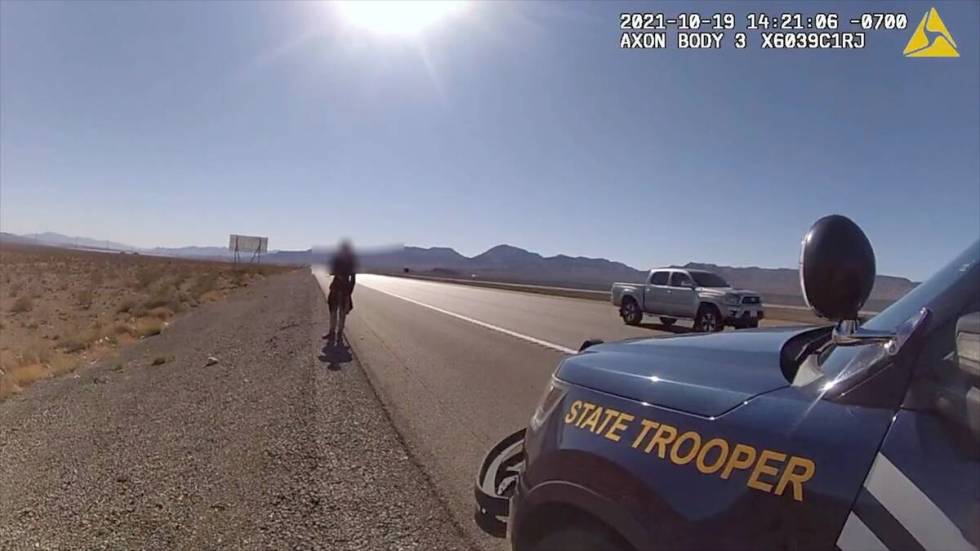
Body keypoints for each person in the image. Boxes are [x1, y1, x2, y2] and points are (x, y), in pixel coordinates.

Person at [326, 240, 356, 344]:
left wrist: (349, 292)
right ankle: (332, 332)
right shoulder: (337, 261)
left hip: (344, 291)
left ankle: (339, 334)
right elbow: (331, 271)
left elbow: (353, 279)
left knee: (342, 313)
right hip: (336, 289)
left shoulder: (351, 263)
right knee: (333, 312)